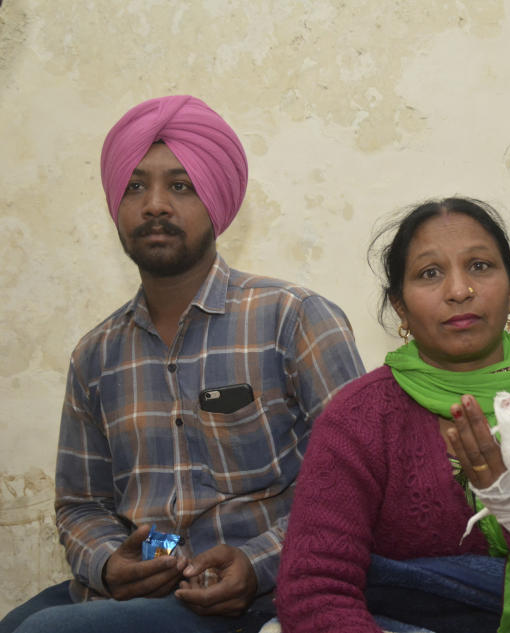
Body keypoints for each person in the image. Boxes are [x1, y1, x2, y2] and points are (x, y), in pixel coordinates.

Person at [0, 95, 365, 633]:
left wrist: (259, 563)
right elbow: (80, 504)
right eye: (135, 186)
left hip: (261, 594)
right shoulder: (95, 356)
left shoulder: (293, 318)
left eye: (180, 185)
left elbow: (358, 482)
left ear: (215, 199)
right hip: (138, 596)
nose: (154, 205)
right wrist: (108, 563)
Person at [275, 198, 510, 633]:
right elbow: (315, 588)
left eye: (480, 266)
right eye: (429, 273)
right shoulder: (359, 417)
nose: (459, 290)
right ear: (399, 306)